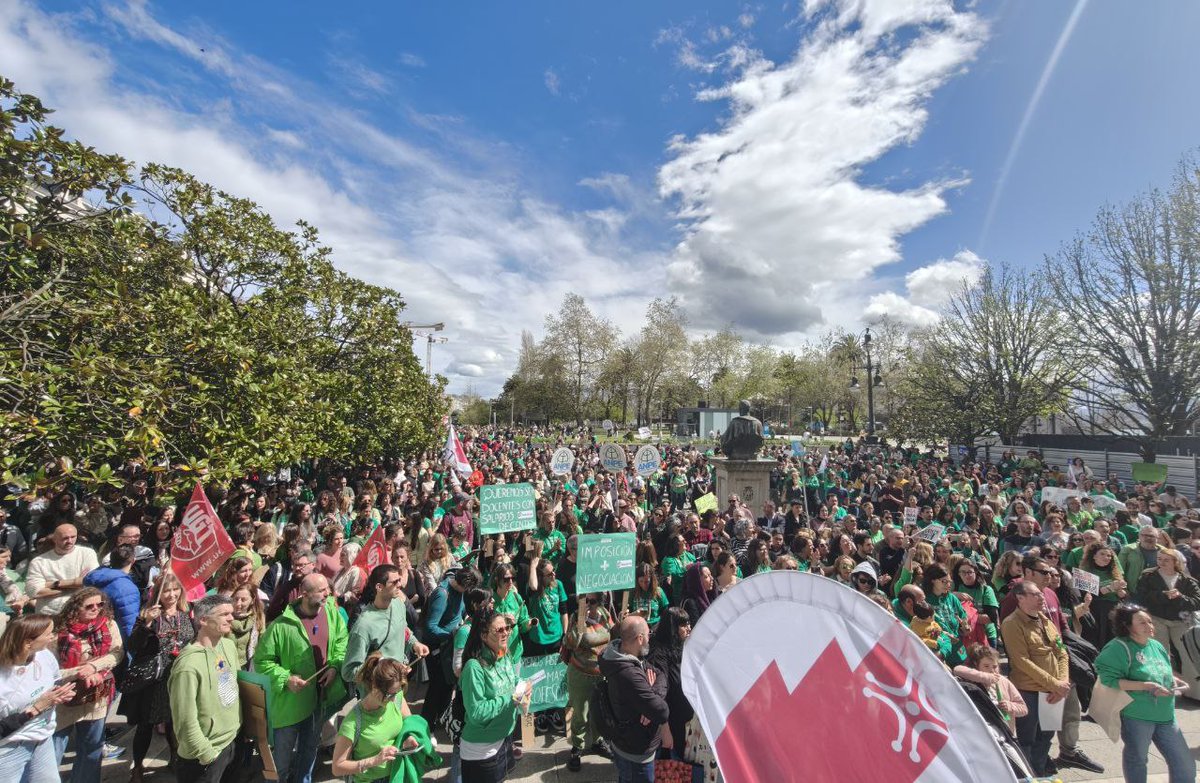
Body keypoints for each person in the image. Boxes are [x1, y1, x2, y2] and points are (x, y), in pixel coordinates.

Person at [253, 574, 348, 783]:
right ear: (304, 594)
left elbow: (342, 642)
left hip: (319, 699)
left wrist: (334, 666)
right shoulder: (280, 626)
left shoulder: (332, 613)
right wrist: (286, 678)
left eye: (328, 589)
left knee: (309, 750)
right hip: (289, 706)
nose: (328, 594)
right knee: (282, 761)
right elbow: (262, 662)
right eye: (322, 590)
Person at [1094, 604, 1195, 783]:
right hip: (1137, 716)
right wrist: (1146, 686)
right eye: (1142, 623)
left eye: (1150, 621)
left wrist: (1173, 679)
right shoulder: (1118, 647)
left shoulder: (1155, 645)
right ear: (1127, 626)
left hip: (1166, 715)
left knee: (1184, 763)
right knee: (1138, 759)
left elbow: (1161, 668)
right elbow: (1109, 680)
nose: (1149, 626)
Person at [120, 571, 193, 783]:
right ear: (158, 593)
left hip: (177, 676)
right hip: (153, 679)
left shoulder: (186, 614)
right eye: (167, 590)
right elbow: (132, 645)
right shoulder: (148, 615)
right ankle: (138, 766)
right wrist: (147, 624)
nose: (170, 594)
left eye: (175, 589)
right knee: (145, 725)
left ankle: (174, 757)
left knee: (173, 722)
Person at [52, 587, 124, 783]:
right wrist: (78, 673)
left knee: (92, 747)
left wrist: (94, 666)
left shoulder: (107, 624)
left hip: (96, 696)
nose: (96, 609)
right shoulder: (59, 630)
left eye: (99, 605)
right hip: (64, 695)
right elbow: (49, 669)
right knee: (54, 748)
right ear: (76, 607)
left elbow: (117, 653)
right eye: (89, 606)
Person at [331, 654, 439, 783]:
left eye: (398, 691)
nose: (394, 698)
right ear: (375, 687)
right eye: (389, 694)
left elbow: (409, 722)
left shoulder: (396, 698)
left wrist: (408, 738)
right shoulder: (352, 723)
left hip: (396, 774)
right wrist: (374, 761)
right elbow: (337, 767)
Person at [168, 595, 242, 783]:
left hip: (231, 743)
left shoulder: (228, 645)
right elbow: (184, 721)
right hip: (203, 757)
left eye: (231, 613)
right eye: (224, 614)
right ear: (203, 620)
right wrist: (207, 754)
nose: (231, 618)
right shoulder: (188, 666)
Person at [1000, 582, 1069, 777]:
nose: (1041, 598)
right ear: (1020, 598)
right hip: (1029, 690)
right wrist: (1054, 684)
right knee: (1027, 739)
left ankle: (1039, 773)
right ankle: (1026, 776)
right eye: (1035, 594)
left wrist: (1062, 683)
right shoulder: (1012, 623)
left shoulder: (1045, 620)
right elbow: (1021, 661)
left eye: (1041, 594)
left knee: (1047, 736)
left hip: (1055, 691)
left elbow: (1061, 652)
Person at [0, 615, 76, 783]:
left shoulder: (44, 655)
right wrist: (37, 708)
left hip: (42, 739)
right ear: (28, 642)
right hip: (9, 749)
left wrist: (59, 693)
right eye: (48, 633)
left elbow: (52, 682)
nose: (53, 636)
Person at [459, 610, 528, 783]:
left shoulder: (503, 654)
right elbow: (476, 712)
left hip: (505, 739)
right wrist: (511, 698)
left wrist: (523, 685)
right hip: (482, 751)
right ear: (483, 635)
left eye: (507, 628)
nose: (505, 633)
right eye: (499, 630)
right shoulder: (473, 668)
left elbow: (512, 680)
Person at [598, 616, 669, 783]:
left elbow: (660, 675)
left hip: (625, 744)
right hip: (635, 753)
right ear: (640, 638)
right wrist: (650, 693)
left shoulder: (621, 653)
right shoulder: (630, 675)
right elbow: (662, 711)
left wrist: (651, 692)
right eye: (648, 633)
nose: (650, 637)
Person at [342, 565, 430, 687]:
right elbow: (348, 672)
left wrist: (414, 643)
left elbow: (403, 629)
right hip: (376, 695)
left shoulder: (398, 604)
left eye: (399, 580)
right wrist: (385, 672)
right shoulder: (363, 626)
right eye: (395, 582)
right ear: (379, 587)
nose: (400, 585)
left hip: (397, 684)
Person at [1134, 547, 1200, 698]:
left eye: (1166, 560)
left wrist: (1179, 597)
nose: (1162, 562)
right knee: (1158, 653)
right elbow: (1142, 596)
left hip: (1181, 621)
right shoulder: (1148, 576)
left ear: (1175, 562)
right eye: (1159, 559)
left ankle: (1195, 692)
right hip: (1156, 619)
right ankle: (1159, 688)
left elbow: (1197, 602)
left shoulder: (1187, 580)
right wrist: (1164, 596)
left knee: (1188, 653)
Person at [562, 592, 614, 772]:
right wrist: (580, 624)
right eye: (585, 601)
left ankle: (597, 741)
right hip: (580, 673)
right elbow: (570, 643)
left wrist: (622, 622)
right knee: (581, 714)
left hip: (601, 673)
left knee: (598, 710)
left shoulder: (605, 614)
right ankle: (577, 748)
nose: (589, 604)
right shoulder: (577, 617)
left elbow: (613, 636)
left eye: (593, 601)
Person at [645, 608, 692, 765]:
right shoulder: (658, 654)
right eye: (683, 625)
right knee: (670, 766)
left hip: (685, 716)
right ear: (672, 627)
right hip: (671, 719)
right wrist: (665, 727)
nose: (689, 628)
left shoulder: (683, 646)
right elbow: (660, 691)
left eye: (688, 623)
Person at [25, 524, 99, 616]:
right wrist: (75, 585)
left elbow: (90, 582)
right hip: (49, 614)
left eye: (73, 537)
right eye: (65, 538)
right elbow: (34, 591)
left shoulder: (87, 553)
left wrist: (53, 584)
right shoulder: (39, 562)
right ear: (55, 539)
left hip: (79, 613)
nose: (70, 541)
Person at [952, 644, 1026, 733]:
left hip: (1006, 733)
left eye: (995, 667)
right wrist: (985, 677)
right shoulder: (973, 678)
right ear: (976, 665)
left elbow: (1024, 709)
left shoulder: (1004, 681)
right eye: (986, 666)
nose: (992, 670)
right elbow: (957, 669)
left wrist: (1010, 706)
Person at [82, 544, 141, 642]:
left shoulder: (93, 577)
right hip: (111, 639)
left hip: (87, 634)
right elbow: (128, 624)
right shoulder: (127, 588)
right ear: (133, 560)